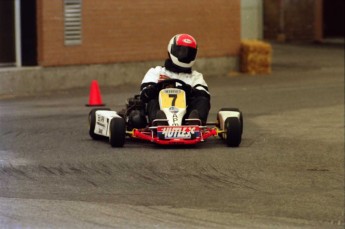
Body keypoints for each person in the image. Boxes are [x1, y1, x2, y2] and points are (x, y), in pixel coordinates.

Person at [140, 34, 210, 125]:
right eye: (181, 51)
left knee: (202, 100)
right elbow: (144, 93)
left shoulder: (196, 76)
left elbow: (204, 94)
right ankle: (160, 123)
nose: (185, 55)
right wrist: (158, 88)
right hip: (161, 112)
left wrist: (188, 91)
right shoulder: (156, 71)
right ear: (171, 50)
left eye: (189, 53)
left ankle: (194, 123)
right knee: (152, 100)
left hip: (186, 116)